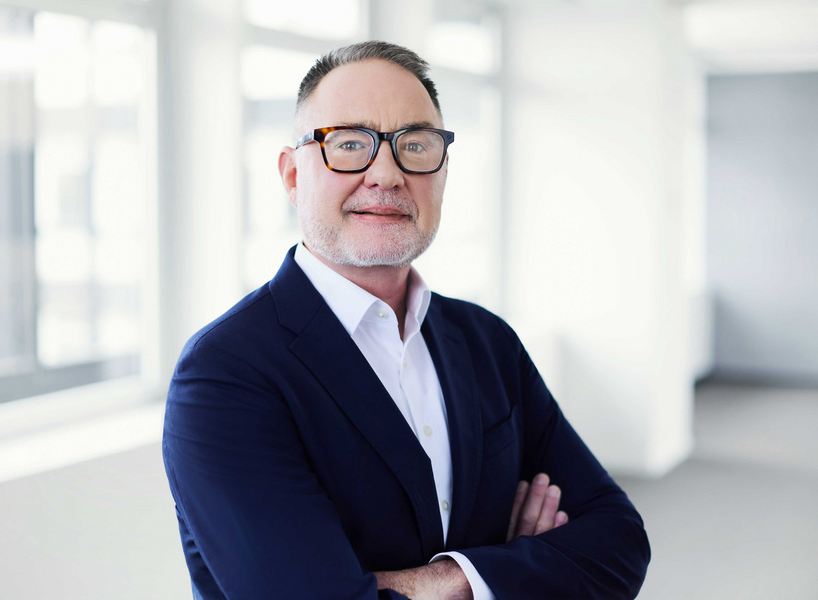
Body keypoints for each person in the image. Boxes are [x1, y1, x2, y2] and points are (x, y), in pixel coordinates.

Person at [162, 41, 650, 600]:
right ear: (293, 175)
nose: (387, 173)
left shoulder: (488, 342)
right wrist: (514, 571)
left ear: (443, 172)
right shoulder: (225, 373)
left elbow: (620, 541)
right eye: (350, 144)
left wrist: (446, 580)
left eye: (415, 145)